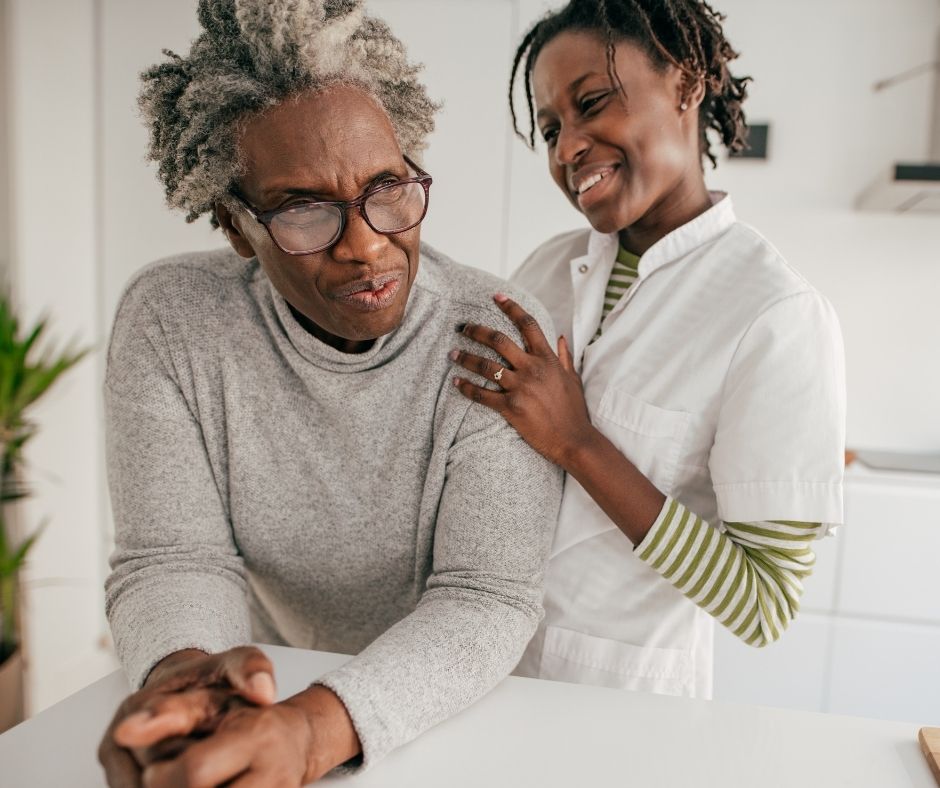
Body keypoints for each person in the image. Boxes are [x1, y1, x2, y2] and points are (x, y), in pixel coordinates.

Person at [97, 1, 562, 785]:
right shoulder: (173, 320)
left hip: (450, 715)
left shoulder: (492, 333)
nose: (367, 244)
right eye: (304, 211)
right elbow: (174, 558)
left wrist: (314, 734)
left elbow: (485, 594)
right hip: (264, 681)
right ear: (234, 223)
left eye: (389, 189)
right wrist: (195, 684)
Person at [450, 0, 845, 697]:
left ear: (686, 84)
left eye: (592, 102)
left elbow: (762, 605)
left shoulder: (774, 315)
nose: (567, 149)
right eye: (549, 130)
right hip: (479, 671)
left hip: (623, 709)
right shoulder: (546, 270)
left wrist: (579, 443)